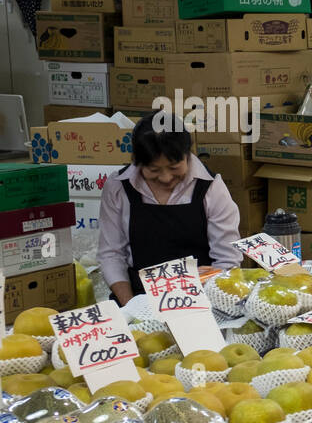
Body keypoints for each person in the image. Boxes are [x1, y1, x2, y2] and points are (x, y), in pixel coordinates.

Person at [98, 113, 241, 306]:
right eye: (154, 170)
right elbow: (111, 254)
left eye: (174, 167)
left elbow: (227, 260)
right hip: (138, 298)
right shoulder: (118, 187)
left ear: (188, 154)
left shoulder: (210, 188)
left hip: (200, 299)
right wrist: (131, 308)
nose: (165, 178)